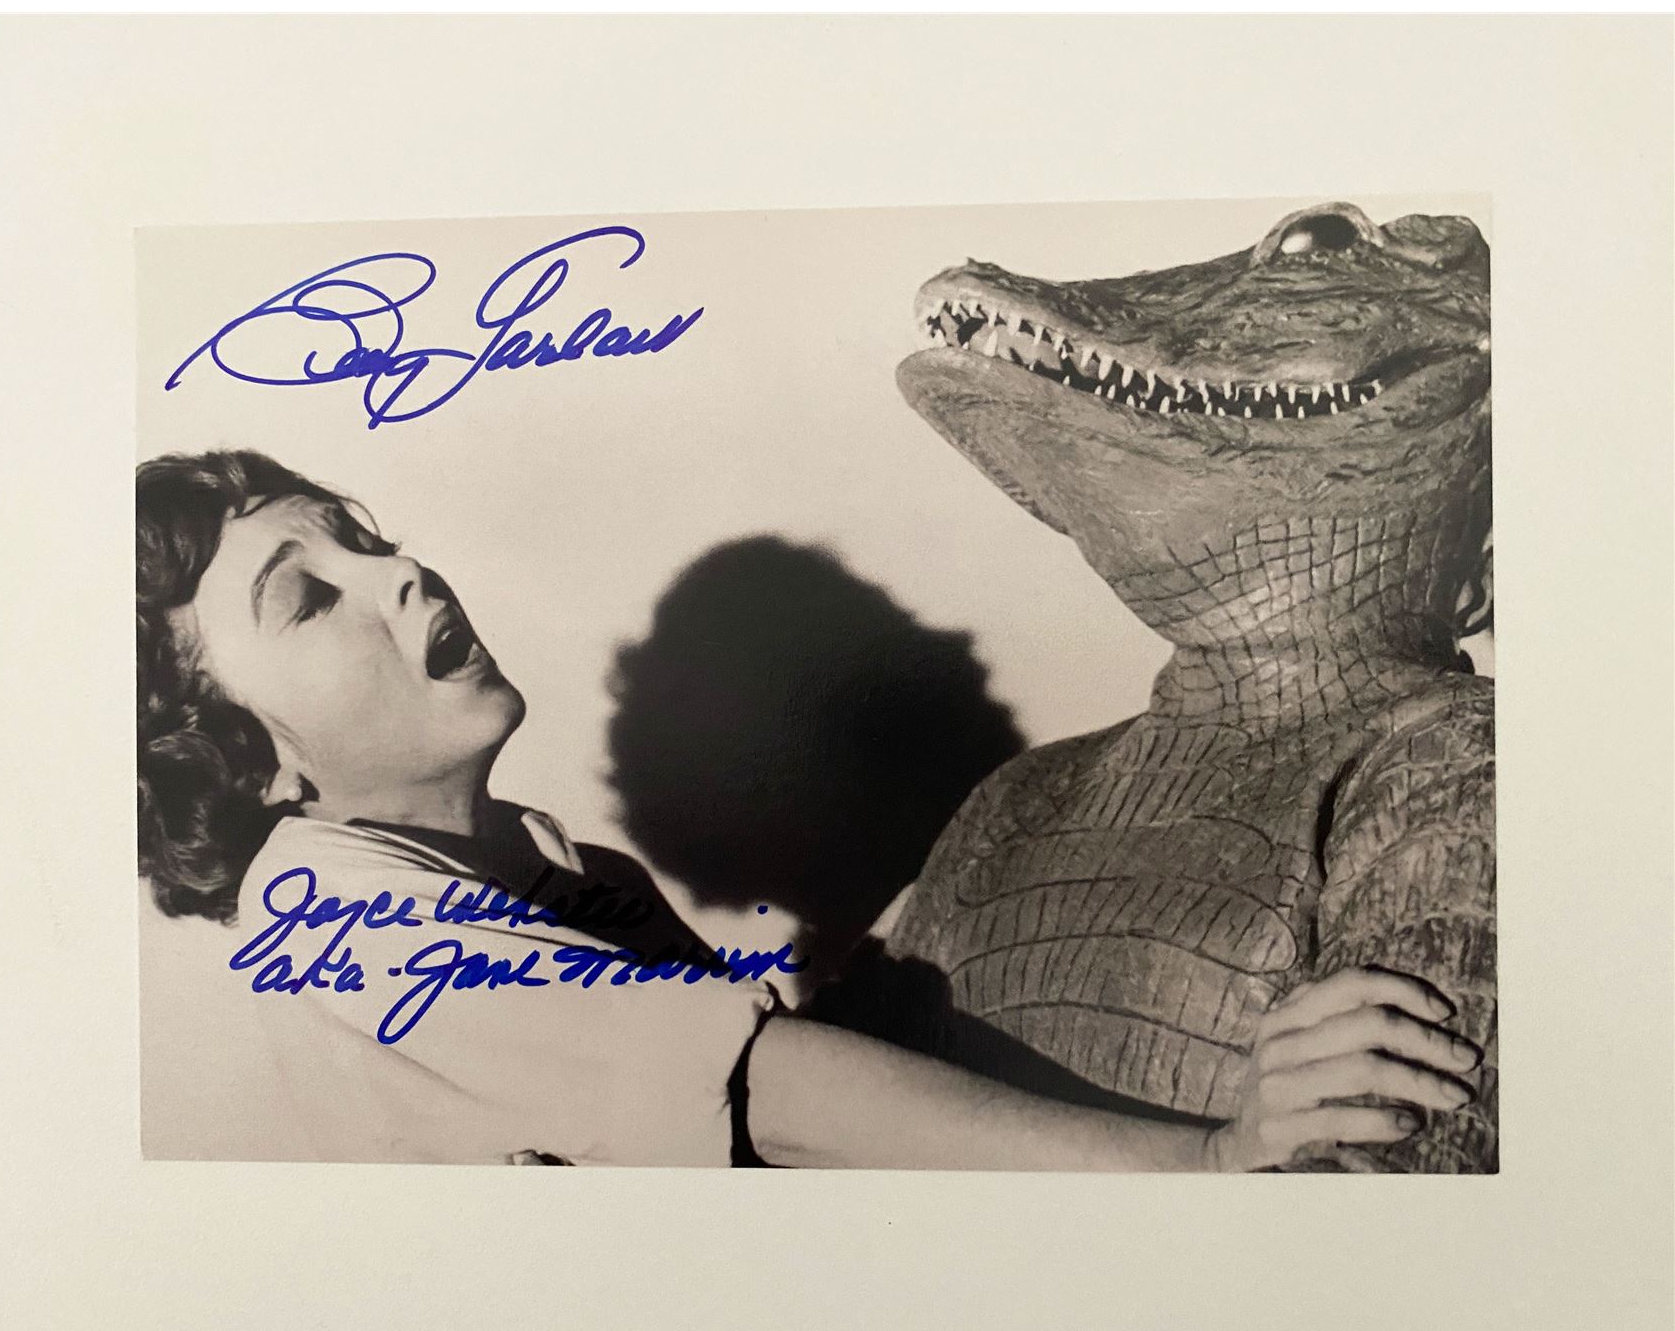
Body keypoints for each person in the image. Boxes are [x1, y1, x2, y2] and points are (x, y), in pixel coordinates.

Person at [137, 450, 1482, 1170]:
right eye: (306, 599)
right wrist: (1215, 1162)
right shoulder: (324, 918)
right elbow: (766, 1098)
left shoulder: (568, 870)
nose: (403, 576)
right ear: (247, 765)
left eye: (367, 540)